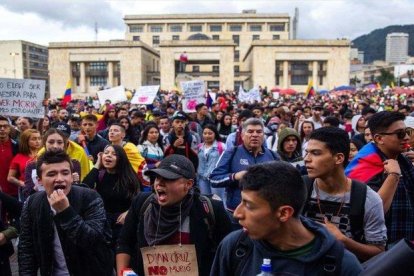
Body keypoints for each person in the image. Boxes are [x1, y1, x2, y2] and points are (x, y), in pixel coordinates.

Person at [210, 161, 362, 275]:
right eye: (241, 201)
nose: (237, 214)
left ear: (284, 213)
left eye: (249, 205)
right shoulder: (235, 247)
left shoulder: (342, 265)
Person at [116, 154, 232, 276]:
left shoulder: (209, 210)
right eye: (157, 178)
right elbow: (124, 243)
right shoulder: (141, 204)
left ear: (188, 184)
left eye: (168, 178)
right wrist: (122, 272)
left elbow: (227, 253)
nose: (159, 184)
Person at [18, 150, 113, 275]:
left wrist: (65, 212)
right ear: (39, 180)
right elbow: (26, 249)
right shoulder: (32, 203)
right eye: (51, 174)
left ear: (71, 176)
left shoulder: (90, 197)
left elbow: (93, 241)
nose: (59, 179)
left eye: (65, 173)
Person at [303, 127, 386, 261]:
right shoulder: (298, 189)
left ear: (339, 158)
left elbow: (379, 252)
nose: (307, 159)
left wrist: (342, 240)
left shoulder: (367, 198)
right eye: (306, 152)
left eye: (316, 153)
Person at [346, 111, 414, 246]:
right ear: (378, 139)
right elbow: (373, 213)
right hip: (382, 248)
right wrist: (393, 175)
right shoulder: (365, 164)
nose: (406, 137)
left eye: (406, 132)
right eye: (400, 134)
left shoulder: (402, 160)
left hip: (405, 241)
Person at [210, 118, 280, 228]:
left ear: (263, 135)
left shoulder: (273, 156)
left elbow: (281, 183)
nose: (255, 135)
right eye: (250, 131)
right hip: (236, 215)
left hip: (264, 216)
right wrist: (235, 176)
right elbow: (214, 179)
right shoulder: (231, 152)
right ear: (242, 135)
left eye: (259, 132)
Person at [83, 145, 139, 250]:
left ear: (121, 158)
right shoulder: (100, 175)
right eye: (106, 153)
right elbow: (85, 188)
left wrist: (129, 212)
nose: (109, 156)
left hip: (122, 224)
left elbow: (138, 200)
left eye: (114, 154)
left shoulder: (129, 177)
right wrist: (97, 164)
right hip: (103, 224)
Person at [23, 128, 84, 200]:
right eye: (51, 142)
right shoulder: (32, 165)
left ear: (64, 145)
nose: (55, 146)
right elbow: (27, 195)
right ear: (44, 144)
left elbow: (76, 195)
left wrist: (74, 182)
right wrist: (38, 186)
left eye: (59, 142)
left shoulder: (74, 163)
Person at [8, 129, 41, 201]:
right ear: (26, 141)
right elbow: (10, 177)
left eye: (39, 138)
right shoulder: (19, 157)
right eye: (34, 139)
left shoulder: (43, 155)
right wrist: (23, 184)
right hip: (26, 191)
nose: (37, 141)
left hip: (43, 189)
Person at [197, 124, 226, 198]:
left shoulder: (222, 146)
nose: (207, 136)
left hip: (216, 178)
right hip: (202, 177)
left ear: (215, 134)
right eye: (205, 133)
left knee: (217, 199)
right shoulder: (199, 147)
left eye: (210, 133)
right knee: (205, 199)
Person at [137, 124, 164, 190]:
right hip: (145, 180)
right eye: (151, 132)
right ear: (146, 134)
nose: (154, 134)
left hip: (157, 178)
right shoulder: (141, 148)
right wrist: (153, 165)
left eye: (156, 132)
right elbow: (138, 165)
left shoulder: (160, 148)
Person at [0, 116, 19, 199]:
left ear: (10, 128)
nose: (2, 129)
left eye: (5, 126)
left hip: (13, 192)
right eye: (0, 127)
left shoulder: (17, 146)